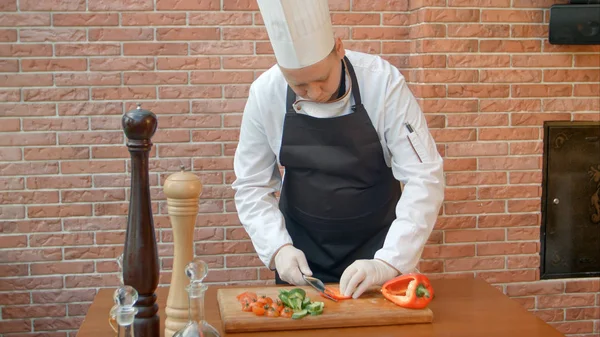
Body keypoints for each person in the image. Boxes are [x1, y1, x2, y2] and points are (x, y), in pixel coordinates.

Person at [232, 0, 445, 299]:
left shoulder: (383, 83)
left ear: (339, 48)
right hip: (301, 256)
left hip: (380, 249)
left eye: (322, 79)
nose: (315, 94)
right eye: (300, 87)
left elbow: (425, 176)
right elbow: (251, 185)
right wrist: (278, 249)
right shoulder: (265, 92)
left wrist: (389, 261)